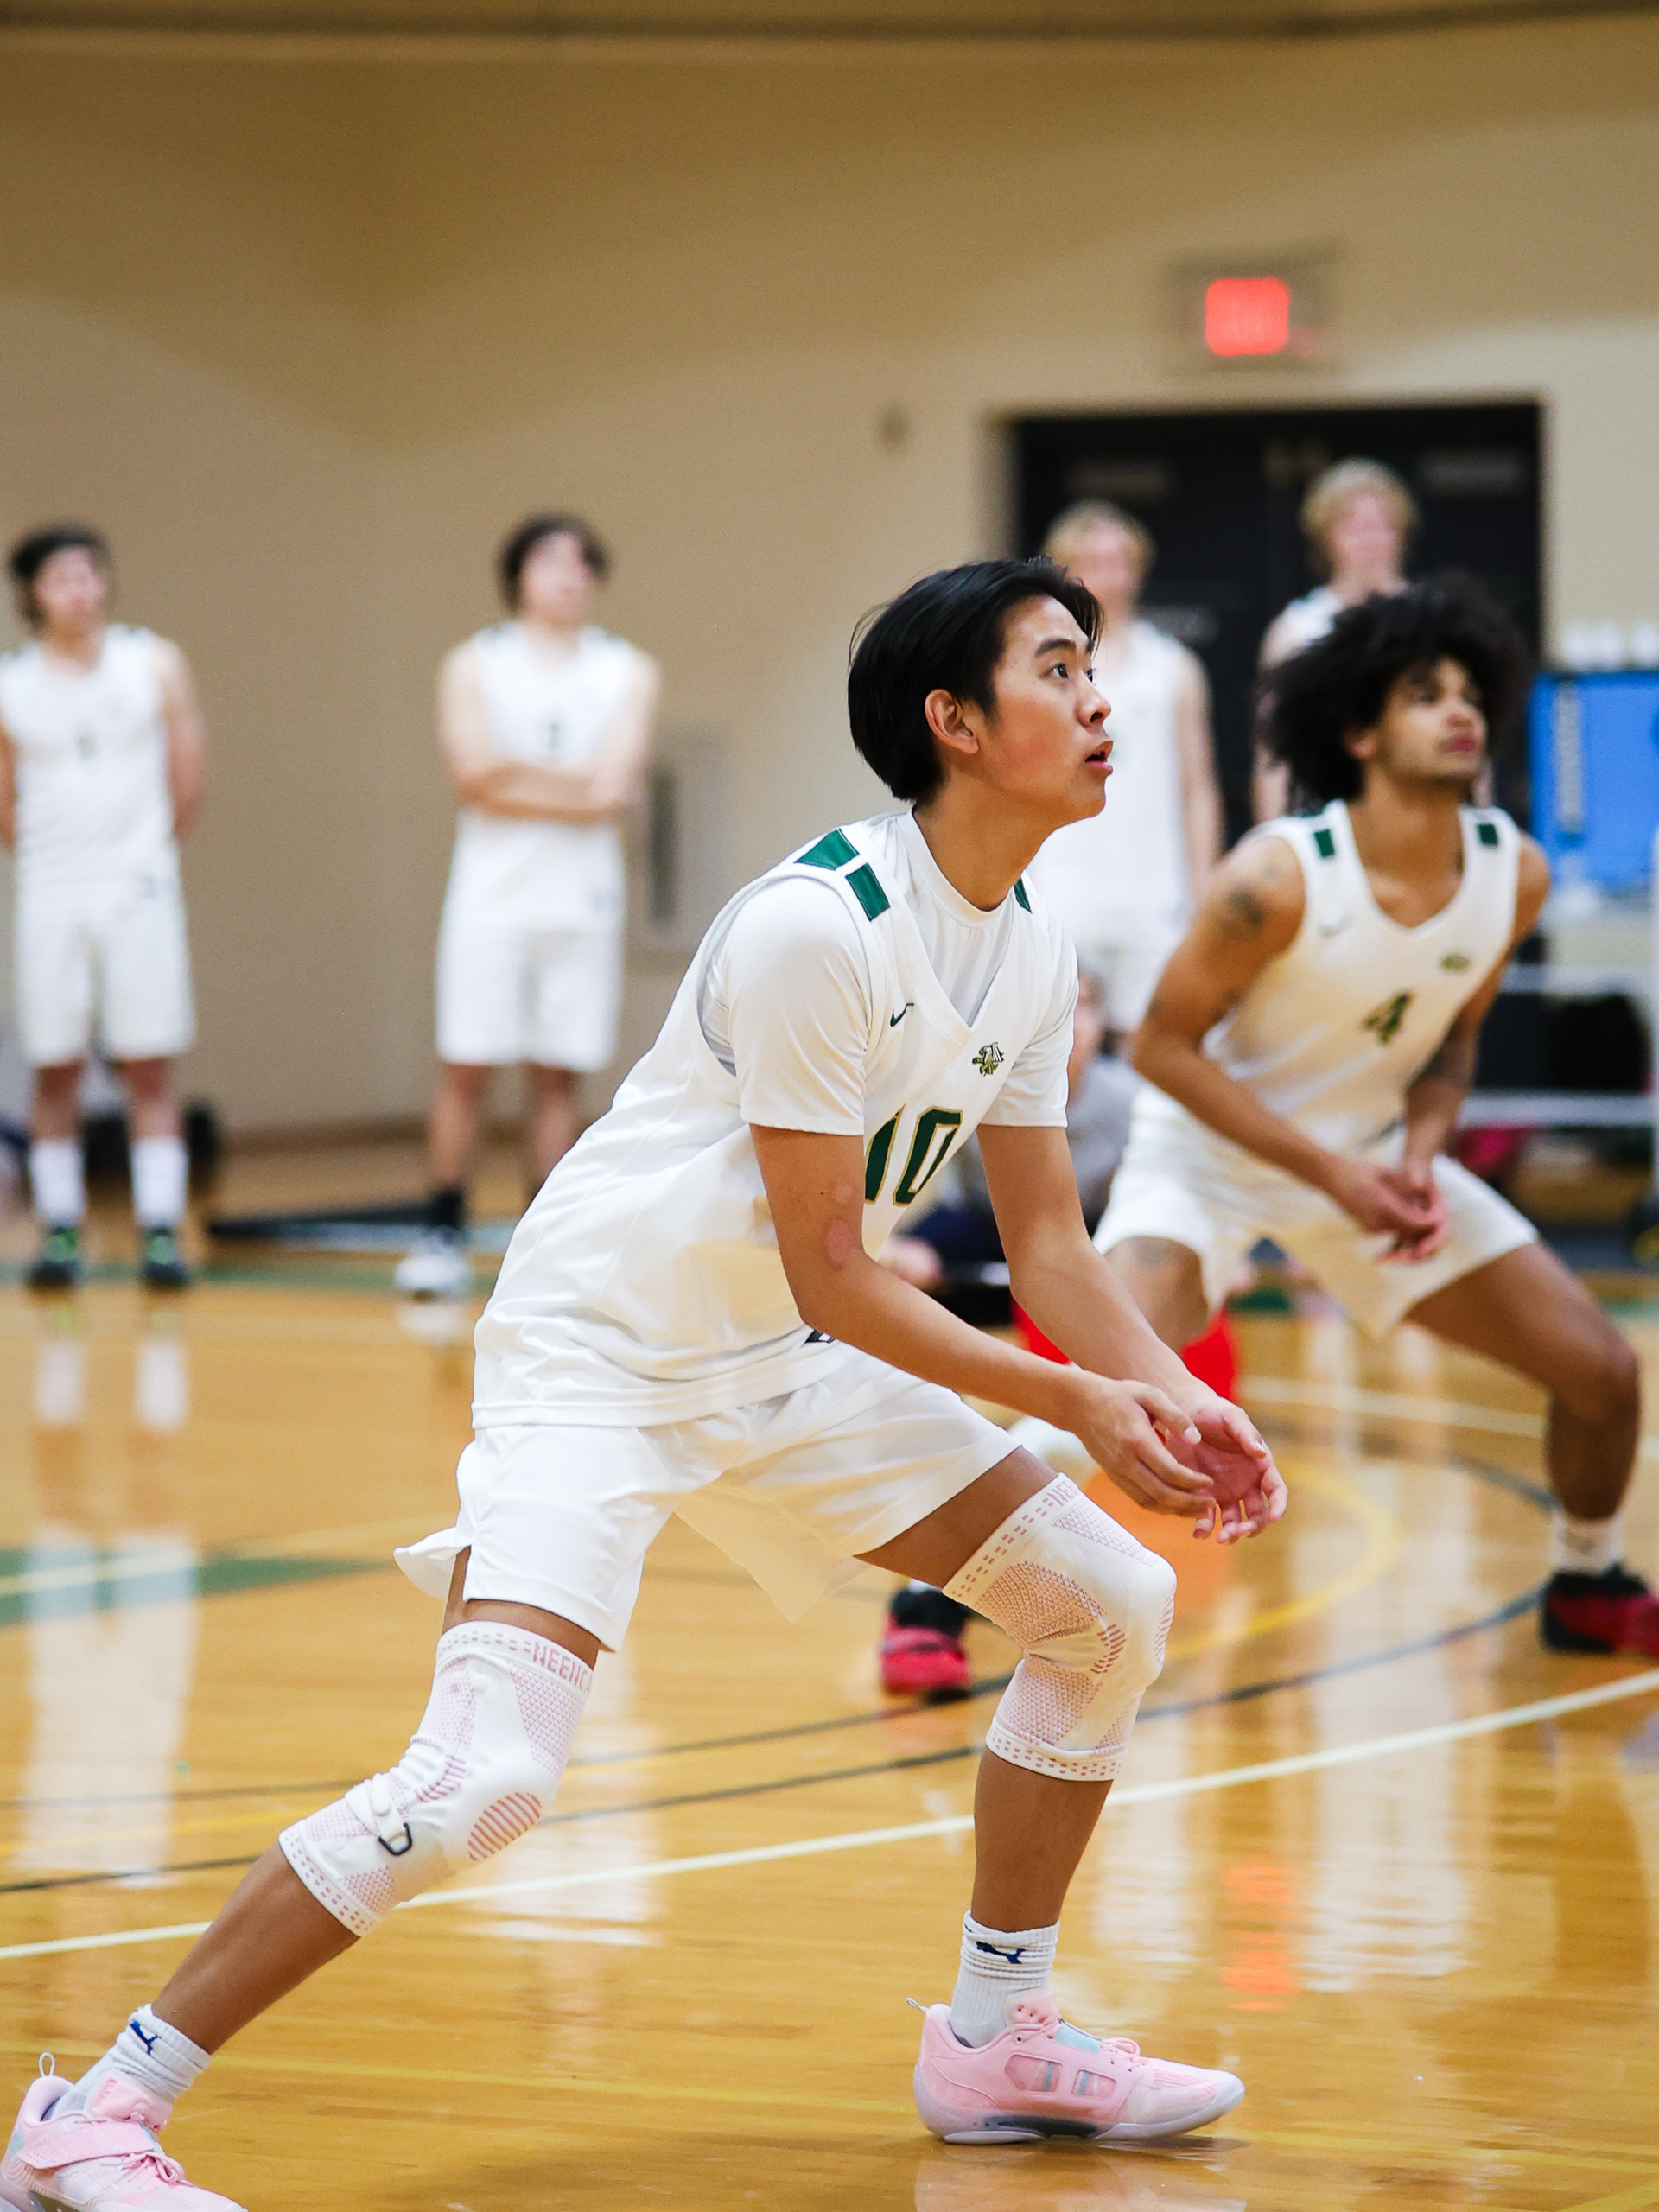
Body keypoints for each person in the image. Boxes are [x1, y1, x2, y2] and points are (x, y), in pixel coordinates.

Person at [2, 560, 1287, 2209]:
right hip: (601, 1355)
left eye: (1095, 669)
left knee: (1107, 1602)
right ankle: (93, 2115)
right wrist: (1074, 1407)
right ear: (953, 723)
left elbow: (1050, 1247)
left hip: (779, 1359)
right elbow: (845, 1269)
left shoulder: (1028, 948)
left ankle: (997, 2036)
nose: (1102, 701)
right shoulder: (818, 926)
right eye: (1060, 669)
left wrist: (1171, 1392)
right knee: (487, 1781)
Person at [1090, 575, 1658, 1657]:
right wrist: (1332, 1173)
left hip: (1368, 1164)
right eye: (1423, 694)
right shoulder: (1275, 876)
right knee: (1103, 1390)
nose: (1461, 713)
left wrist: (1419, 1155)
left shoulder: (1513, 873)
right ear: (1356, 729)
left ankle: (1588, 1580)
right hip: (1207, 1159)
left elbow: (1450, 1041)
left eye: (1470, 695)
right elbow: (1160, 1046)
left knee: (1603, 1371)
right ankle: (928, 1601)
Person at [394, 513, 658, 1299]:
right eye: (549, 563)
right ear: (517, 576)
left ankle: (540, 1239)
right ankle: (443, 1229)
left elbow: (613, 791)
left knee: (557, 1077)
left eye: (582, 564)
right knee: (466, 1067)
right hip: (491, 899)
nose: (567, 577)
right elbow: (472, 774)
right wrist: (572, 787)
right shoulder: (474, 664)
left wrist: (522, 780)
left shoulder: (627, 672)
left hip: (582, 902)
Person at [877, 959, 1139, 1700]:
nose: (1073, 1025)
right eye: (1066, 1008)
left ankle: (969, 1578)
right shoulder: (981, 1077)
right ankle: (942, 1584)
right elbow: (942, 1192)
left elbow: (1101, 1227)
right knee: (911, 1275)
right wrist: (904, 1247)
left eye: (1088, 1009)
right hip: (989, 1232)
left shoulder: (1126, 1106)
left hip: (1081, 1237)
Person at [0, 525, 208, 1291]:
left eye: (91, 574)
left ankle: (159, 1229)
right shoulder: (12, 683)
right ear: (31, 594)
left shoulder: (153, 663)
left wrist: (140, 858)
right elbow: (7, 804)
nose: (81, 590)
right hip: (52, 894)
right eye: (61, 578)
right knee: (54, 1070)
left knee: (147, 1067)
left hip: (138, 893)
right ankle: (59, 1231)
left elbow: (187, 780)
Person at [1026, 501, 1222, 1039]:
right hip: (1064, 889)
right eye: (1094, 560)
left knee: (1156, 1053)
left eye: (1121, 560)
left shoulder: (1174, 667)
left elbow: (1197, 788)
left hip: (1153, 898)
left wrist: (1203, 891)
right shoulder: (1045, 667)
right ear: (1066, 571)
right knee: (1057, 1051)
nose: (1109, 574)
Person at [1253, 459, 1414, 820]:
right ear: (1326, 537)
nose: (1369, 539)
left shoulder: (1434, 619)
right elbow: (1273, 757)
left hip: (1416, 814)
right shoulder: (1296, 630)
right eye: (1354, 527)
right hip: (1326, 820)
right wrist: (1273, 835)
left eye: (1381, 525)